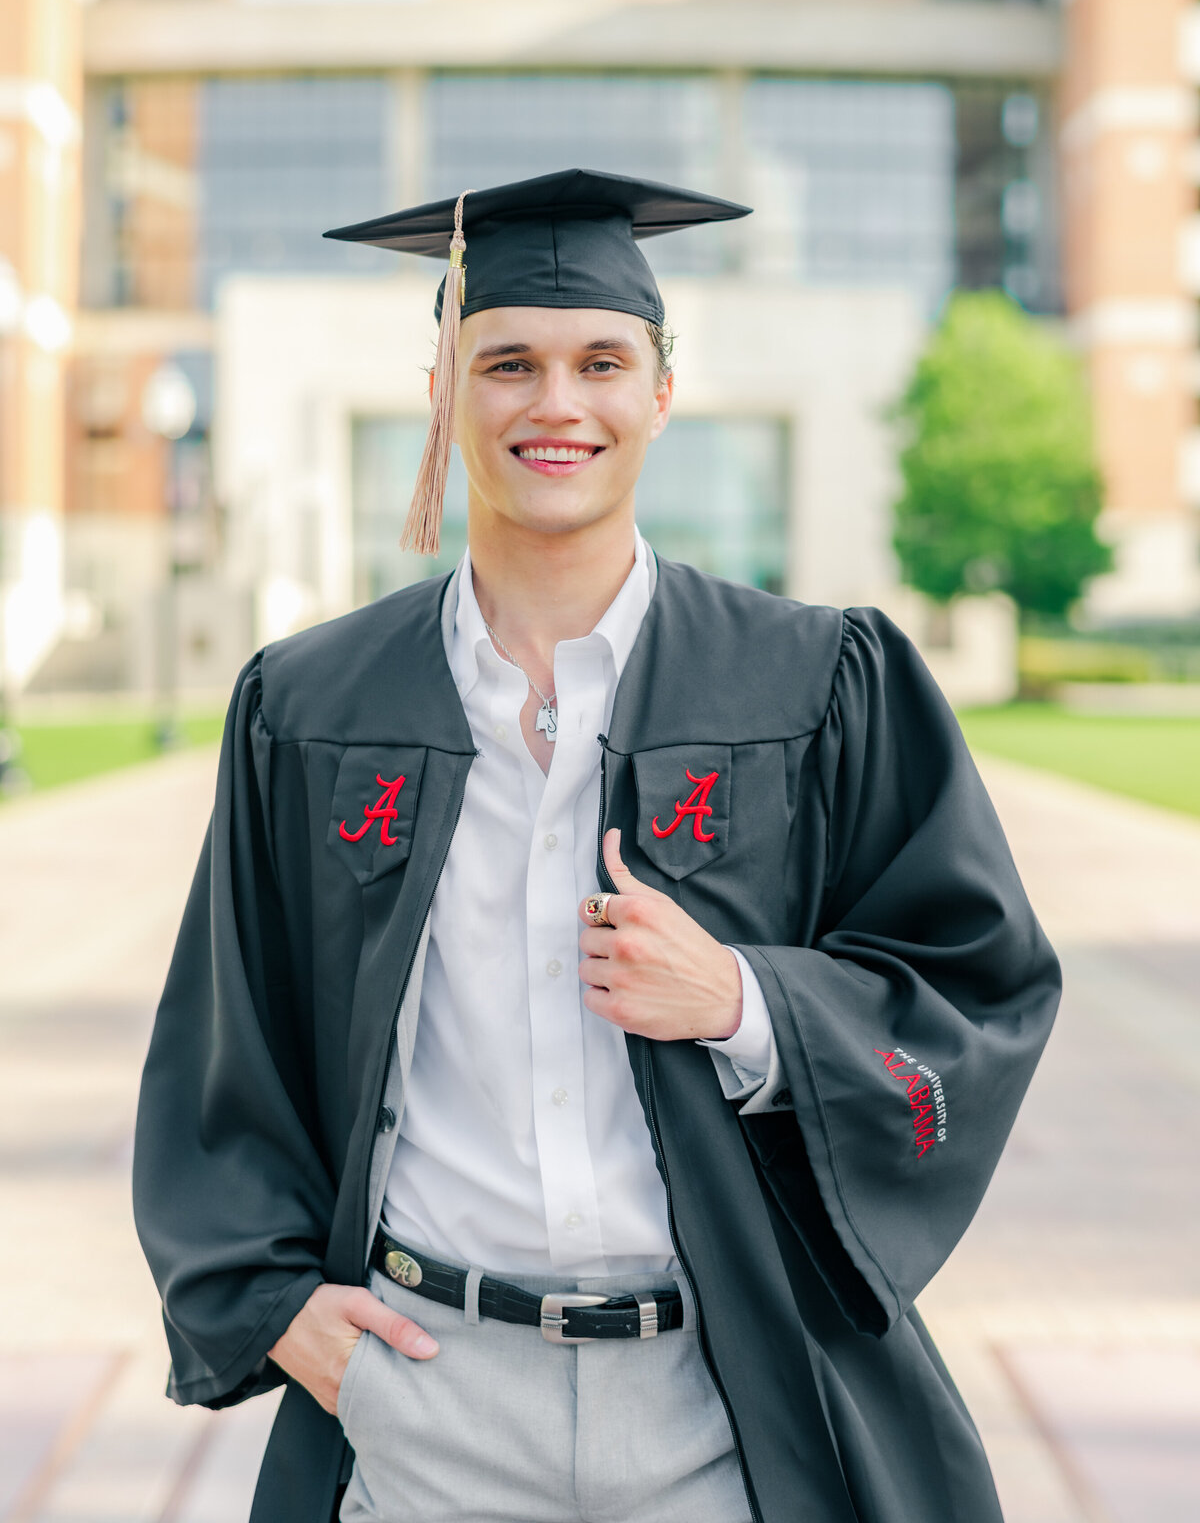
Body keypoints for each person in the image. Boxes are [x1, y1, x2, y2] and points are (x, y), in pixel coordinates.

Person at [133, 168, 1061, 1523]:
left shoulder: (813, 685)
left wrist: (746, 1002)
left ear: (662, 392)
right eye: (507, 362)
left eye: (600, 363)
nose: (556, 404)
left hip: (718, 1401)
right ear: (445, 390)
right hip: (422, 1391)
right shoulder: (315, 708)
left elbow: (977, 984)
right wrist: (273, 1308)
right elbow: (228, 1037)